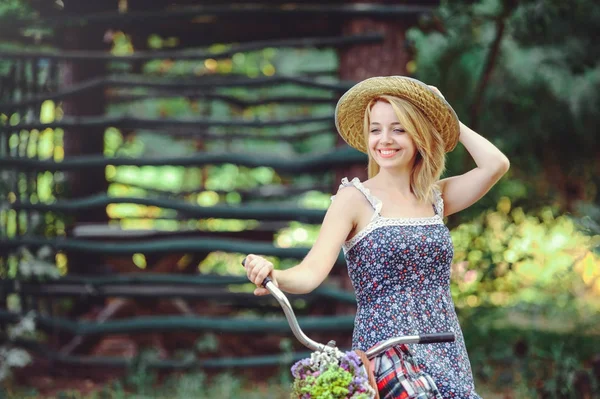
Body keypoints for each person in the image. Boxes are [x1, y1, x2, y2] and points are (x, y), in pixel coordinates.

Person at [244, 76, 509, 398]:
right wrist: (275, 275)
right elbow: (310, 273)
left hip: (443, 341)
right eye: (375, 129)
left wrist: (446, 114)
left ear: (419, 134)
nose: (385, 139)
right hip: (385, 347)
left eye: (398, 128)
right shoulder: (354, 198)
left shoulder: (435, 196)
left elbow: (496, 164)